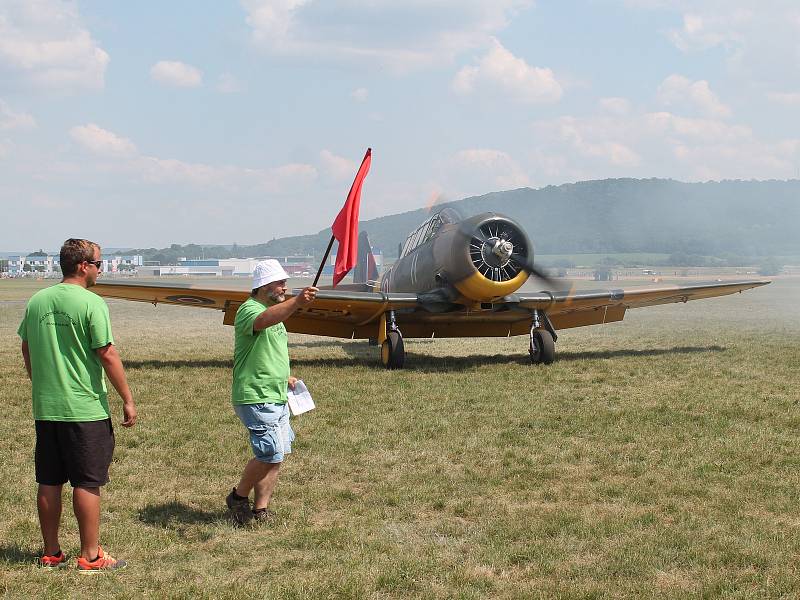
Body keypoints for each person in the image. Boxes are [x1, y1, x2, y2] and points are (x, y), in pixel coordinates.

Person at [18, 238, 137, 572]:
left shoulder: (38, 300)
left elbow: (26, 347)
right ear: (83, 266)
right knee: (87, 481)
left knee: (50, 479)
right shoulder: (91, 303)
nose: (102, 269)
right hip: (85, 409)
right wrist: (127, 399)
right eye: (99, 263)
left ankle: (51, 552)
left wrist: (38, 381)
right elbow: (107, 353)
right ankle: (91, 555)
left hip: (46, 407)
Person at [226, 259, 317, 525]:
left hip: (276, 393)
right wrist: (297, 302)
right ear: (263, 285)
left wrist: (285, 375)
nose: (284, 288)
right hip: (255, 395)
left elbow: (269, 350)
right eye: (279, 283)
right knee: (269, 453)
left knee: (278, 454)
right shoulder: (249, 310)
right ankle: (238, 497)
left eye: (285, 284)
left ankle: (260, 510)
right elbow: (263, 321)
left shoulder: (277, 313)